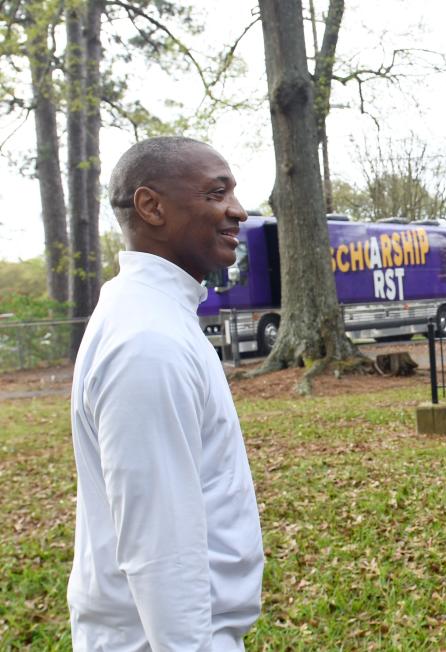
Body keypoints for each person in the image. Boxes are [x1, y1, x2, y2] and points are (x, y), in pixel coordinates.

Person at [68, 136, 264, 650]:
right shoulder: (147, 340)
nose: (238, 211)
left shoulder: (153, 316)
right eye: (216, 193)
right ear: (151, 206)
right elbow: (160, 549)